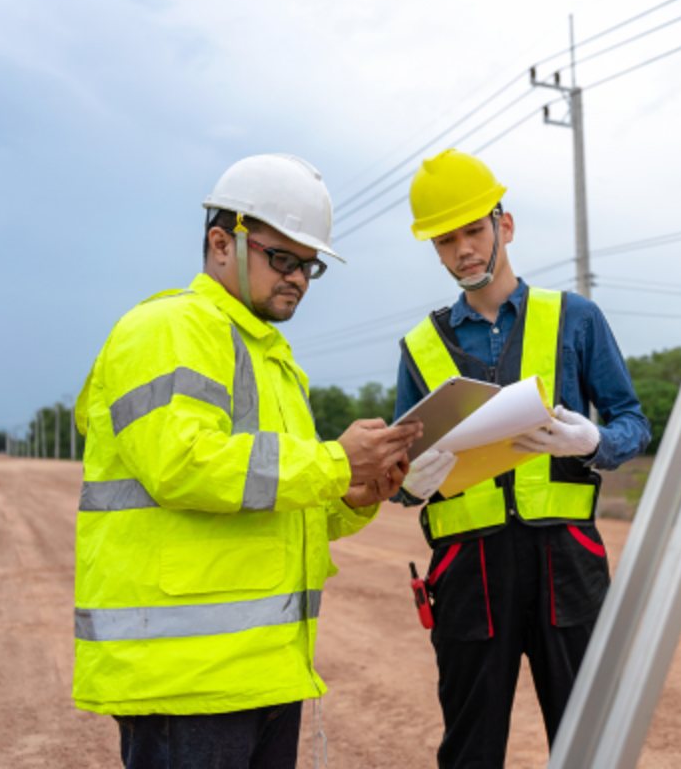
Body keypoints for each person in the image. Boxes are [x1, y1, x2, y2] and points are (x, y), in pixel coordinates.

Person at [73, 153, 423, 769]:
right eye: (282, 259)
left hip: (263, 673)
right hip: (185, 678)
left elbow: (271, 499)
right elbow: (182, 464)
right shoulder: (169, 327)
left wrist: (350, 497)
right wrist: (335, 463)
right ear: (219, 242)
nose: (298, 279)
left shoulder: (270, 358)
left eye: (309, 265)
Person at [392, 149, 652, 768]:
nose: (464, 250)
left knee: (590, 742)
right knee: (470, 751)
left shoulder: (575, 320)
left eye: (474, 230)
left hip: (567, 563)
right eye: (446, 240)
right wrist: (409, 483)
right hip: (465, 573)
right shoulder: (418, 347)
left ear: (503, 225)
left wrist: (594, 442)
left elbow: (633, 424)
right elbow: (399, 477)